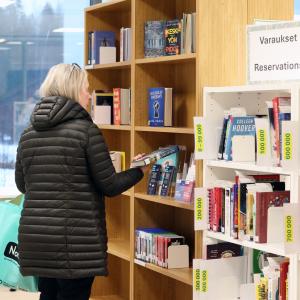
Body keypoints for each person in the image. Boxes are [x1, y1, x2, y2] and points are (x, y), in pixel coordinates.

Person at [15, 63, 145, 300]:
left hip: (38, 241)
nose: (90, 95)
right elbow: (111, 185)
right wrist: (138, 170)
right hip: (75, 245)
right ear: (73, 90)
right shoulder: (86, 131)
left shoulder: (28, 133)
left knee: (49, 294)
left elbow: (23, 185)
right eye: (86, 89)